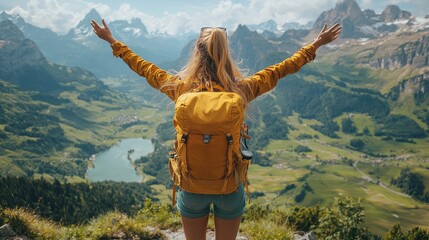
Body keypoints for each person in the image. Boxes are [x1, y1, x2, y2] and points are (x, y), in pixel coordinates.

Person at [91, 18, 341, 240]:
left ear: (197, 54)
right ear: (226, 54)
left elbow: (143, 67)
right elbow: (282, 69)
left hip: (191, 185)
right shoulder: (242, 89)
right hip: (229, 186)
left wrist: (112, 40)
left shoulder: (180, 88)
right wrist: (315, 45)